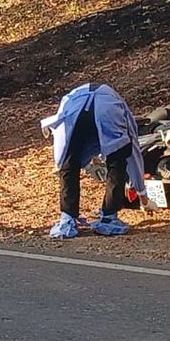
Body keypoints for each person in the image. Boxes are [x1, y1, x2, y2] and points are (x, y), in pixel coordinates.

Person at [40, 83, 159, 239]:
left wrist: (61, 164)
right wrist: (142, 195)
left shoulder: (70, 100)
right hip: (107, 111)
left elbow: (62, 153)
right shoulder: (120, 108)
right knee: (117, 160)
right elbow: (133, 152)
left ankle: (68, 219)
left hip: (74, 110)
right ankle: (109, 218)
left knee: (69, 162)